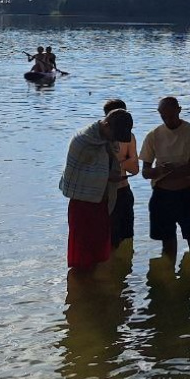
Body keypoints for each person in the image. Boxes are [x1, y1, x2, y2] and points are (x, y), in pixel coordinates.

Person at [61, 108, 133, 275]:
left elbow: (106, 167)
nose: (116, 140)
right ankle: (81, 284)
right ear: (106, 125)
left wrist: (112, 177)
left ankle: (91, 289)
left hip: (103, 203)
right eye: (114, 135)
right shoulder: (82, 141)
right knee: (81, 254)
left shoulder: (109, 141)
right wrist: (107, 178)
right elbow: (75, 174)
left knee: (100, 250)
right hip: (82, 204)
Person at [140, 96, 190, 261]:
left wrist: (166, 172)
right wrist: (162, 171)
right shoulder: (153, 135)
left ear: (179, 110)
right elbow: (145, 172)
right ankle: (168, 280)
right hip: (161, 196)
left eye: (171, 115)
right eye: (164, 117)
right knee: (168, 248)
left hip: (185, 194)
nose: (168, 120)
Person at [103, 99, 140, 250]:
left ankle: (124, 271)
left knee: (127, 239)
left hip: (123, 191)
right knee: (109, 240)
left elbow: (135, 169)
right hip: (105, 194)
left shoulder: (129, 137)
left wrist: (117, 163)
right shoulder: (100, 137)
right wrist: (125, 161)